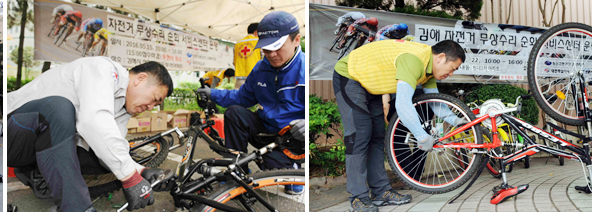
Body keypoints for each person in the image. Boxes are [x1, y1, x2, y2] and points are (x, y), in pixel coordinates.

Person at [7, 59, 174, 212]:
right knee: (59, 107)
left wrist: (140, 171)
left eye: (156, 105)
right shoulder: (104, 69)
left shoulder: (123, 110)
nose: (151, 107)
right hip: (14, 131)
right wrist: (130, 178)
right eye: (154, 99)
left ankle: (36, 173)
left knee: (105, 155)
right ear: (140, 79)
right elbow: (93, 120)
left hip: (34, 145)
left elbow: (111, 149)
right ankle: (76, 208)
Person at [331, 39, 466, 212]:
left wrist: (458, 121)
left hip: (369, 84)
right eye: (453, 68)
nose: (451, 74)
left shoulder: (429, 69)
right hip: (349, 75)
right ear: (440, 57)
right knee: (360, 135)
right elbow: (403, 105)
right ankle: (358, 197)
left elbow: (436, 103)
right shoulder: (414, 60)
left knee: (378, 135)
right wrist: (422, 137)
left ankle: (381, 192)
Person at [195, 10, 306, 181]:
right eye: (266, 49)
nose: (271, 54)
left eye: (276, 47)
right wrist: (212, 93)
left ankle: (291, 168)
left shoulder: (306, 71)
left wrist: (308, 123)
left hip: (292, 138)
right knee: (234, 112)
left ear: (296, 40)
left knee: (273, 170)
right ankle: (237, 170)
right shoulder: (261, 68)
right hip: (265, 130)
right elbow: (241, 98)